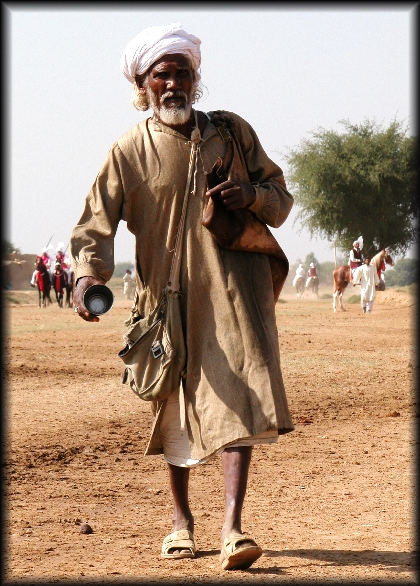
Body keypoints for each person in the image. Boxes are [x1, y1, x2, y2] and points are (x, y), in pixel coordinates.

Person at [70, 23, 294, 571]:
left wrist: (252, 195)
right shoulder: (128, 150)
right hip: (166, 305)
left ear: (197, 78)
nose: (173, 83)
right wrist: (86, 275)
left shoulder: (232, 134)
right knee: (175, 412)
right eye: (160, 74)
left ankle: (233, 528)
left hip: (234, 294)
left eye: (182, 72)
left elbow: (281, 201)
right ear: (143, 84)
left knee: (238, 401)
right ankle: (180, 523)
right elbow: (95, 225)